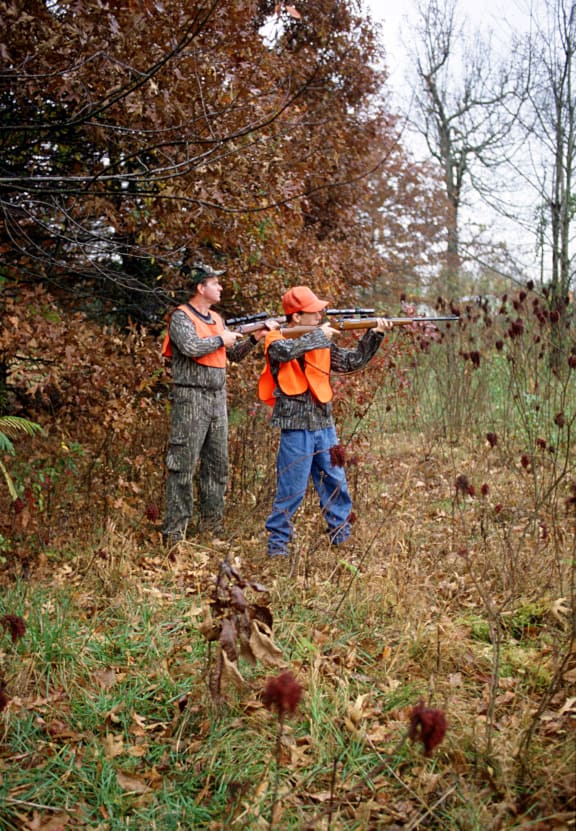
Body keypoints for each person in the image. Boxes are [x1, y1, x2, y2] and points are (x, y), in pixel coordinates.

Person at [258, 285, 391, 557]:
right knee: (291, 489)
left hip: (324, 424)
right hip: (296, 427)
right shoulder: (275, 339)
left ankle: (341, 538)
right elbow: (284, 354)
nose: (320, 315)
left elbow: (351, 361)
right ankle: (277, 548)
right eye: (313, 311)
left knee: (335, 482)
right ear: (295, 317)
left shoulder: (321, 340)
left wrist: (374, 334)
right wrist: (318, 336)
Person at [162, 262, 273, 544]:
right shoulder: (181, 317)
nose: (220, 287)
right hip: (191, 398)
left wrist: (254, 339)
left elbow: (232, 355)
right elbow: (190, 347)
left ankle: (212, 529)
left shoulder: (217, 319)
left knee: (217, 466)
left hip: (217, 399)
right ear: (201, 287)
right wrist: (220, 338)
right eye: (215, 283)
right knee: (183, 466)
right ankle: (175, 534)